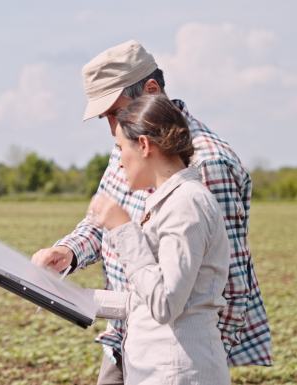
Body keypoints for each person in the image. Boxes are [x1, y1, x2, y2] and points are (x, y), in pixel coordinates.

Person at [31, 40, 272, 384]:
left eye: (115, 112)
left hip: (176, 358)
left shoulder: (208, 165)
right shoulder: (127, 146)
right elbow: (102, 222)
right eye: (108, 118)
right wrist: (66, 253)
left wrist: (201, 360)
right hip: (126, 341)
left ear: (152, 90)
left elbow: (230, 286)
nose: (113, 128)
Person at [89, 94, 230, 384]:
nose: (118, 164)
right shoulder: (172, 201)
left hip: (177, 371)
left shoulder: (186, 204)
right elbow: (151, 295)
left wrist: (123, 229)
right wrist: (80, 301)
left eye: (120, 149)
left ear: (143, 145)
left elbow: (165, 302)